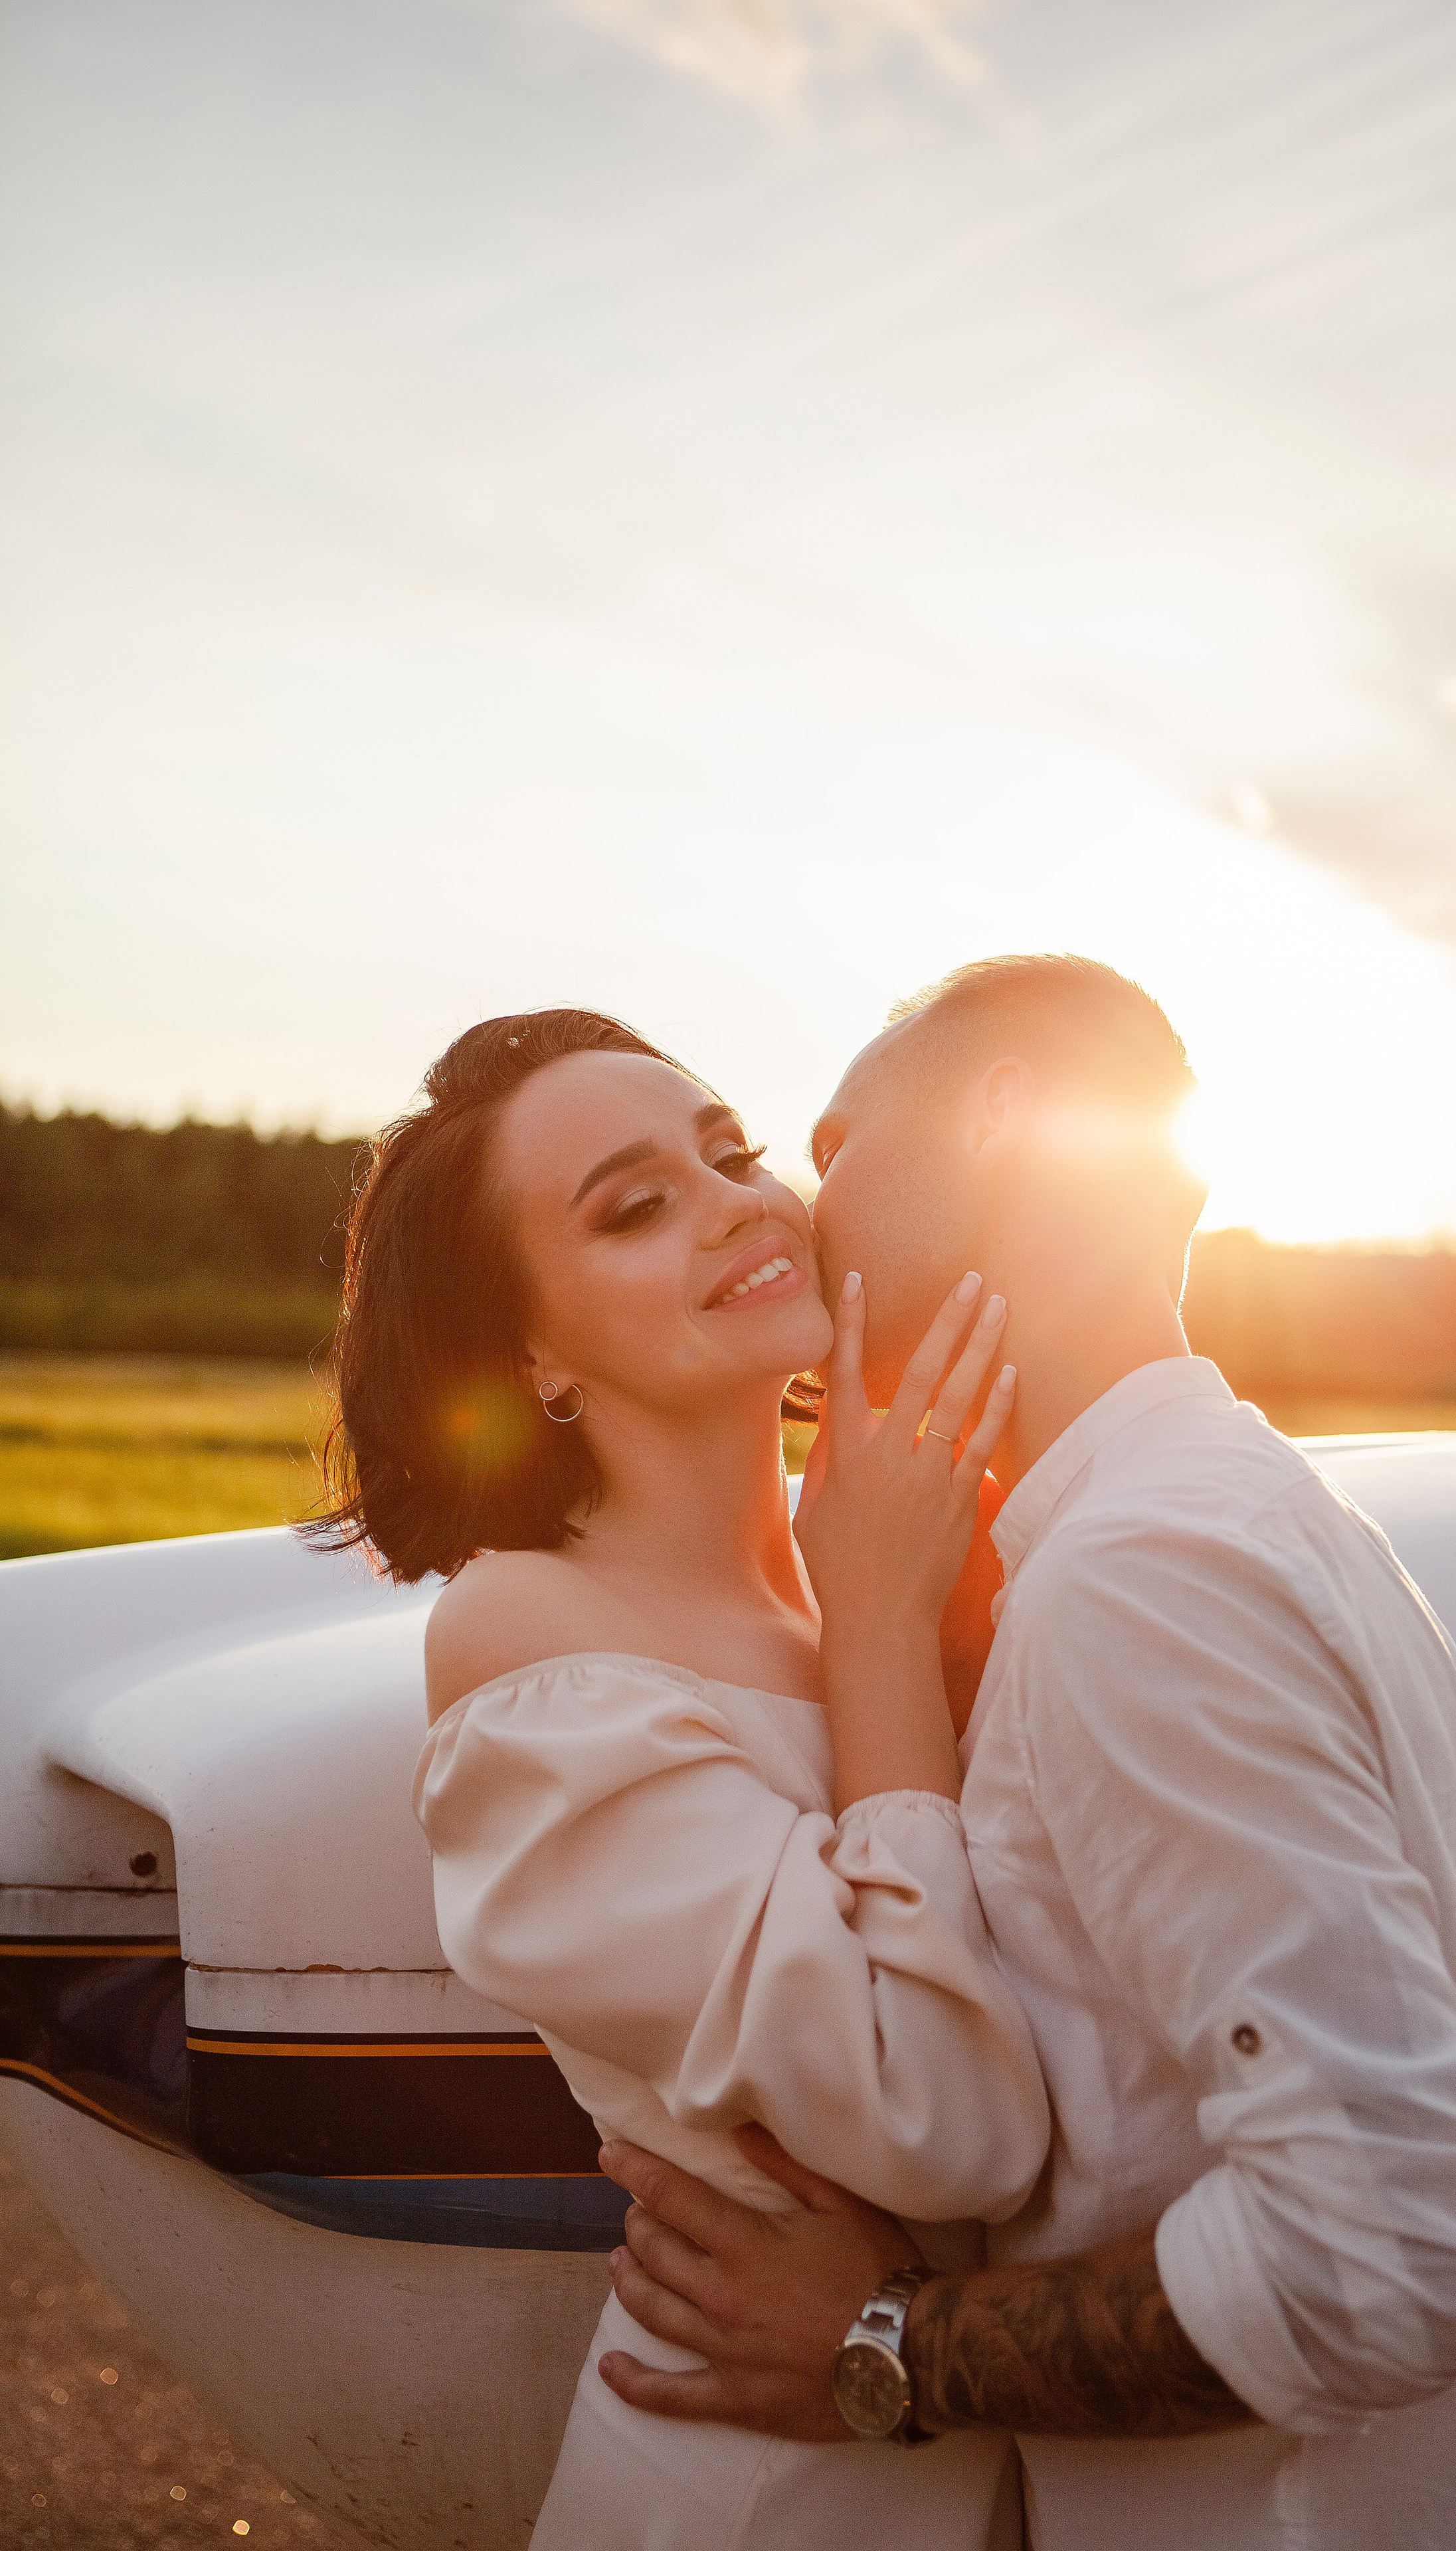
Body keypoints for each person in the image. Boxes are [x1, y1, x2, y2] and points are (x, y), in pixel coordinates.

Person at [596, 954, 1456, 2551]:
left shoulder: (1141, 1578)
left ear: (1009, 1120)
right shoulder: (1249, 1512)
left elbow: (1392, 2254)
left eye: (842, 1142)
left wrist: (887, 2349)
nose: (801, 1201)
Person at [309, 1004, 1053, 2551]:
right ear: (528, 1351)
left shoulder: (881, 1537)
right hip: (764, 2500)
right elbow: (940, 2127)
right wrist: (881, 1637)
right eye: (637, 1205)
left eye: (732, 1153)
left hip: (990, 2463)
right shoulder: (533, 1633)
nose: (735, 1202)